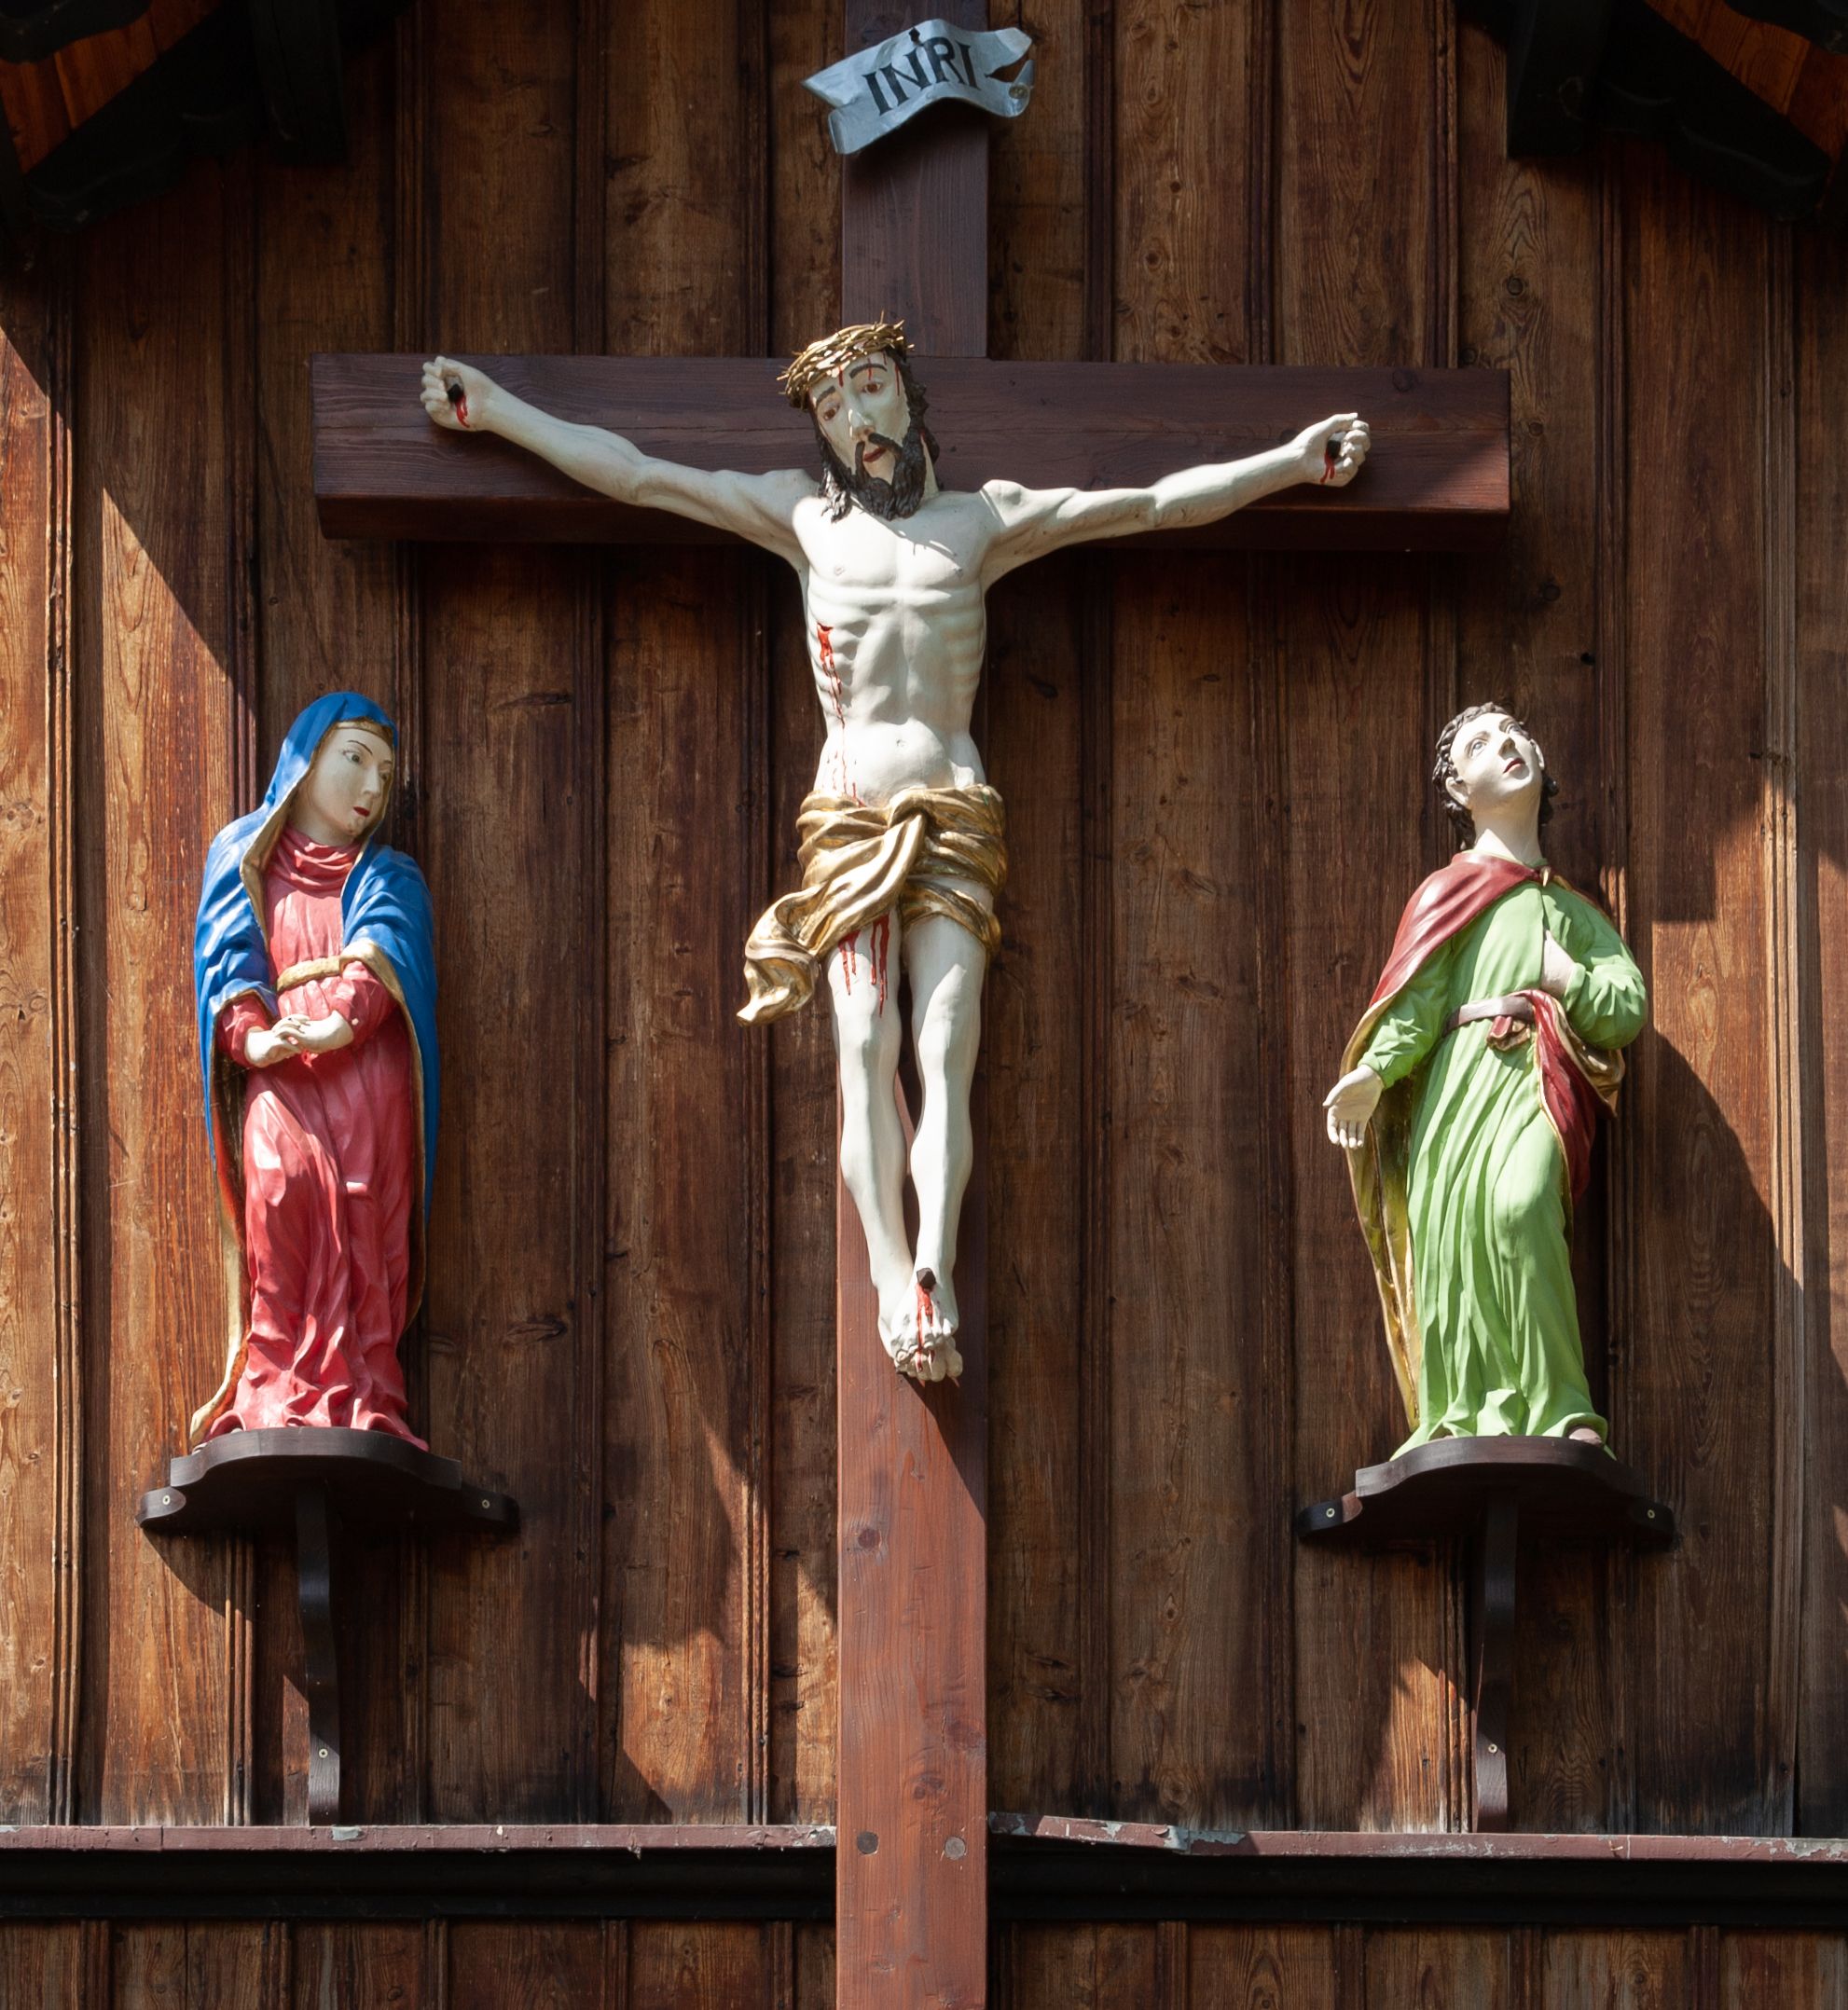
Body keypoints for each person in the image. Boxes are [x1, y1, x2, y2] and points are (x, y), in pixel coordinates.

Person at [421, 324, 1370, 1380]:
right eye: (832, 410)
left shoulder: (983, 521)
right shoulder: (800, 520)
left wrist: (1290, 464)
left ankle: (933, 1264)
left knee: (946, 1047)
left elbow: (1150, 504)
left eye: (869, 390)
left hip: (953, 808)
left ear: (908, 396)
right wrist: (498, 413)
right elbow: (639, 476)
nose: (857, 422)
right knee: (864, 1040)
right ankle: (886, 1272)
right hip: (851, 813)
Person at [1323, 704, 1647, 1453]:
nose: (1504, 745)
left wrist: (1566, 977)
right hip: (1454, 1088)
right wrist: (1373, 1072)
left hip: (1533, 1078)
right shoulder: (1446, 893)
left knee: (1522, 1206)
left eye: (1513, 734)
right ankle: (1456, 1415)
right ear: (1458, 790)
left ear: (1540, 761)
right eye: (1479, 744)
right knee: (1450, 1237)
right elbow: (1417, 1003)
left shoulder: (1567, 909)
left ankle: (1561, 1408)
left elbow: (1625, 1007)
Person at [191, 694, 438, 1446]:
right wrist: (252, 1038)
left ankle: (364, 1392)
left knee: (365, 1220)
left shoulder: (389, 874)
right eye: (354, 760)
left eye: (385, 776)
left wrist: (342, 1021)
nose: (371, 788)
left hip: (363, 1069)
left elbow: (389, 947)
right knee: (279, 1197)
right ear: (302, 762)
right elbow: (228, 958)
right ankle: (271, 1385)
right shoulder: (244, 860)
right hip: (282, 1065)